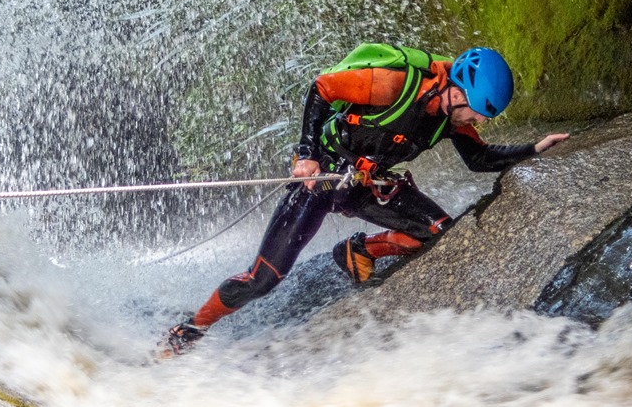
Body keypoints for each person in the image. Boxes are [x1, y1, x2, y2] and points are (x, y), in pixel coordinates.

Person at [163, 46, 569, 354]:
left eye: (483, 117)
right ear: (456, 90)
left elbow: (480, 159)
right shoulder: (396, 83)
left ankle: (358, 251)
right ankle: (193, 328)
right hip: (323, 178)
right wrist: (306, 155)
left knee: (439, 233)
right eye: (477, 112)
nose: (477, 121)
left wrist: (534, 148)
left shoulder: (450, 116)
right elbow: (323, 88)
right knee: (263, 279)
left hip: (368, 184)